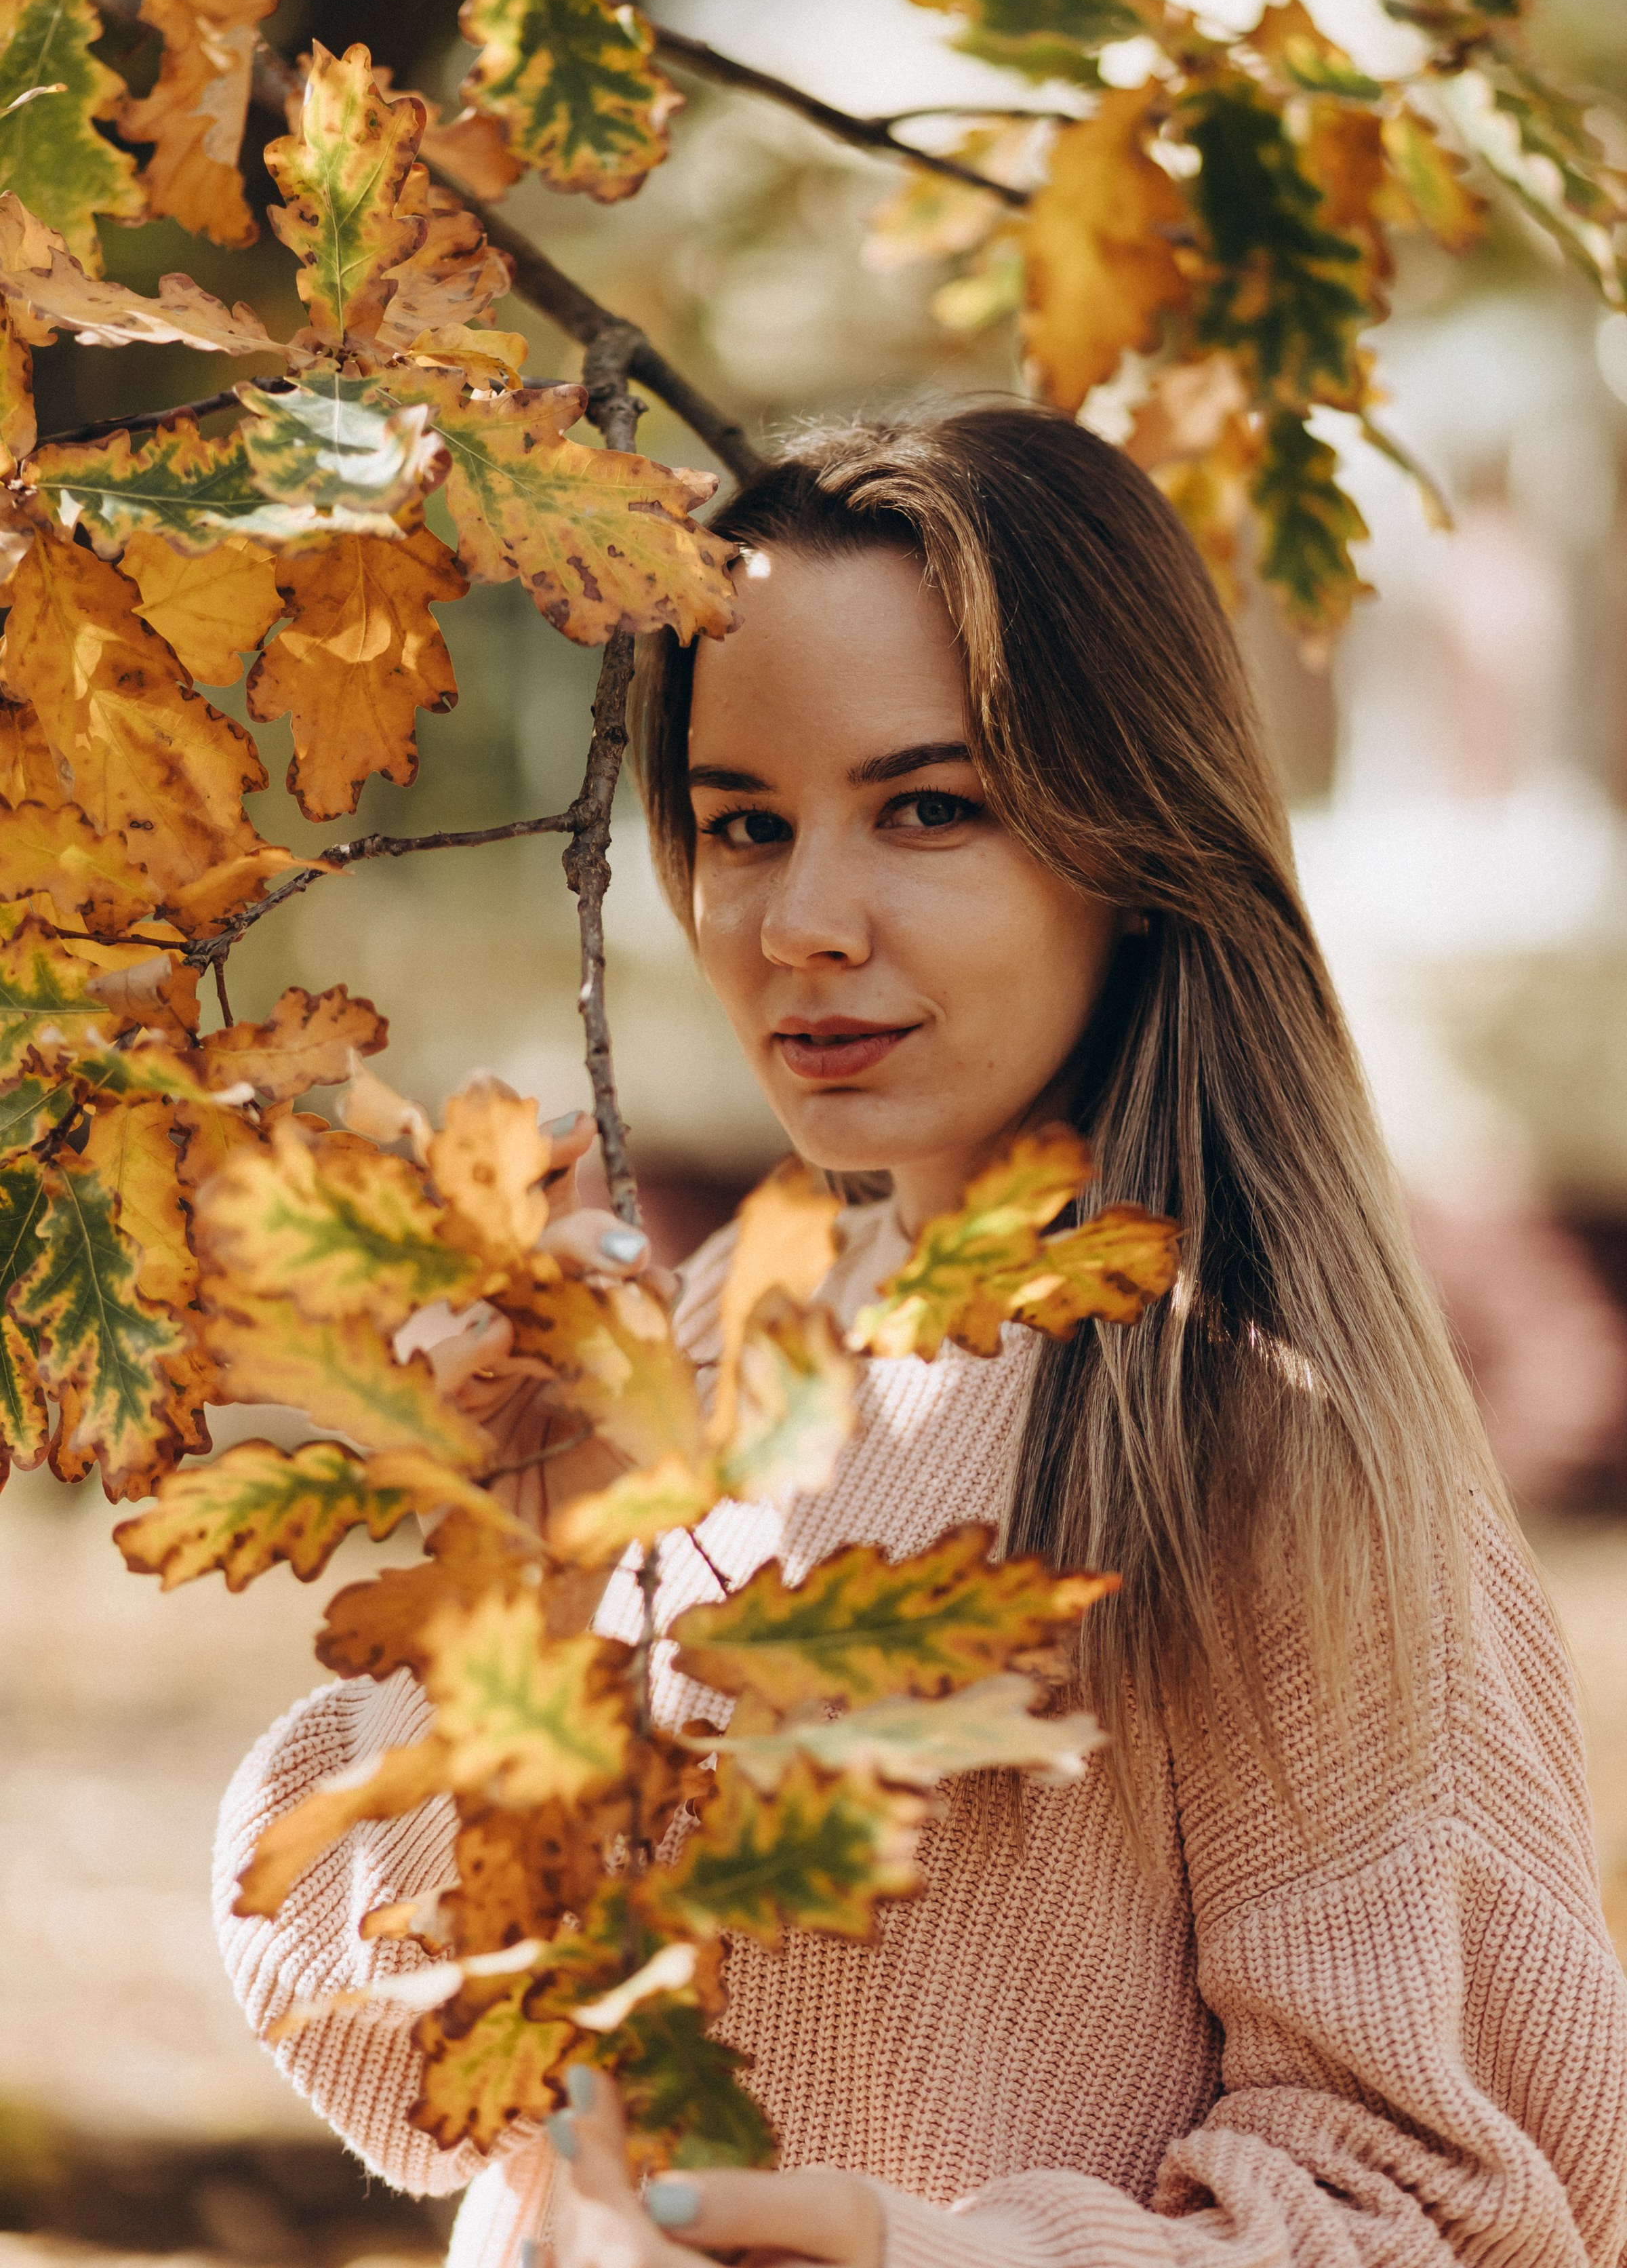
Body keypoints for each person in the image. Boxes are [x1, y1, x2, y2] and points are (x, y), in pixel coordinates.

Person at [214, 408, 1627, 2268]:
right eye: (741, 826)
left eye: (930, 808)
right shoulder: (708, 1340)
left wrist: (925, 2249)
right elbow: (385, 2048)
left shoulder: (1257, 1432)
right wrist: (533, 1588)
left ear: (1134, 831)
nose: (801, 922)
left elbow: (1462, 2207)